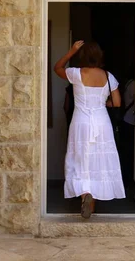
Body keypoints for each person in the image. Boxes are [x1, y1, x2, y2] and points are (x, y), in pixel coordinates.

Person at [54, 40, 126, 218]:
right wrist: (102, 103)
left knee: (80, 159)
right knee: (98, 161)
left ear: (82, 56)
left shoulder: (77, 74)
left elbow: (57, 68)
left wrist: (71, 51)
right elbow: (117, 103)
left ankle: (85, 194)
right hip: (101, 122)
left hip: (81, 122)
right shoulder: (109, 77)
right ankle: (91, 204)